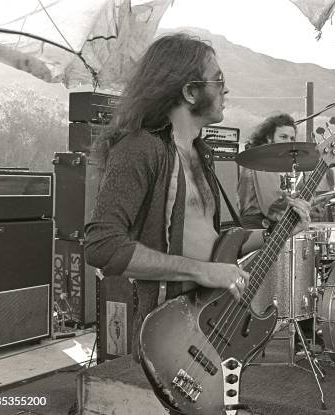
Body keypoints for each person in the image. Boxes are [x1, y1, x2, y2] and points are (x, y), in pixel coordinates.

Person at [84, 33, 311, 365]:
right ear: (190, 92)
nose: (225, 90)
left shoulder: (200, 153)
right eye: (218, 80)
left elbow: (214, 243)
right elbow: (101, 245)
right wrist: (202, 271)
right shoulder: (140, 148)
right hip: (167, 332)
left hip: (209, 323)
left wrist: (278, 232)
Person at [238, 113, 298, 229]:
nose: (288, 142)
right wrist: (302, 204)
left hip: (259, 222)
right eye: (283, 137)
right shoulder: (263, 158)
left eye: (292, 138)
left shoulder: (260, 156)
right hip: (257, 226)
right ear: (269, 138)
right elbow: (273, 204)